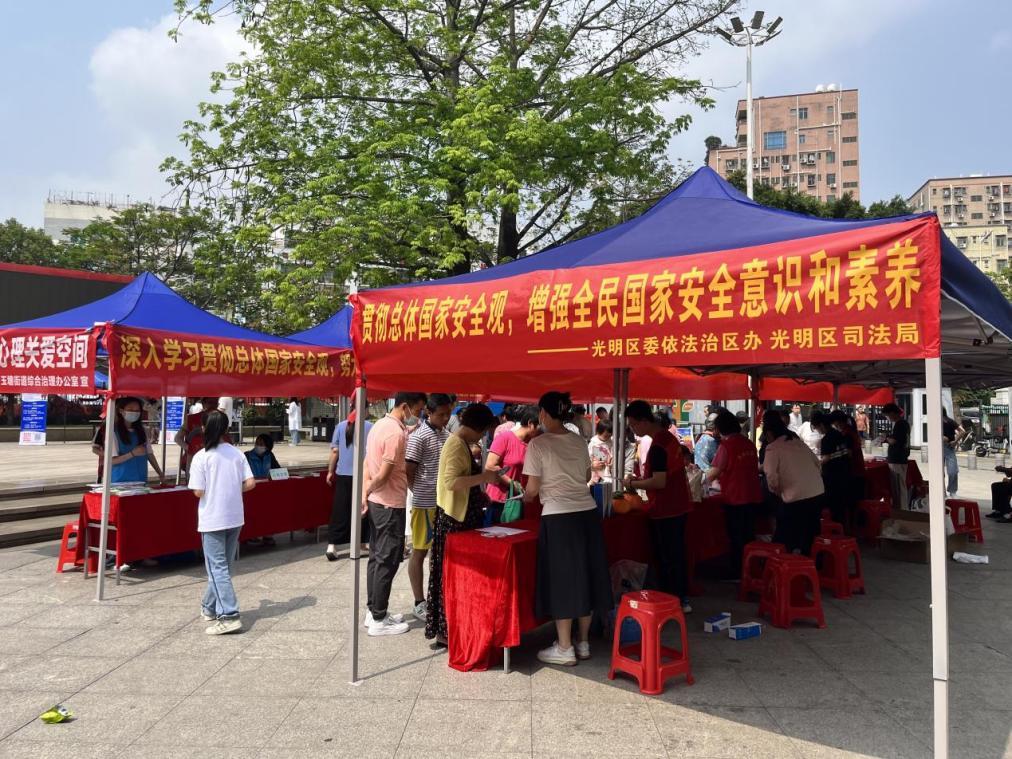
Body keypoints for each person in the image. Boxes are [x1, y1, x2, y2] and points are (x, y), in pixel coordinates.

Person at [523, 391, 611, 666]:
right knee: (586, 575)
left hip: (558, 517)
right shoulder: (578, 440)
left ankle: (564, 647)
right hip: (587, 513)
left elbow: (532, 489)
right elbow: (585, 476)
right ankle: (583, 642)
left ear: (543, 414)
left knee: (563, 580)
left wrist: (525, 496)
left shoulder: (538, 444)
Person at [425, 403, 499, 646]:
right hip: (454, 522)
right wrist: (484, 478)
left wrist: (479, 494)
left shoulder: (461, 443)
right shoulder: (456, 444)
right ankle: (446, 629)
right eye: (484, 431)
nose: (483, 436)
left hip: (461, 517)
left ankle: (453, 627)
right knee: (450, 577)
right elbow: (451, 482)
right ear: (477, 427)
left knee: (454, 576)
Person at [361, 391, 427, 636]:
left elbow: (367, 462)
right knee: (387, 560)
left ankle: (374, 610)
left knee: (377, 557)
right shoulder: (395, 433)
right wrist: (369, 487)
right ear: (405, 406)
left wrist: (365, 491)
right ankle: (379, 619)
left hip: (379, 503)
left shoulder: (379, 426)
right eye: (418, 410)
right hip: (389, 503)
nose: (418, 415)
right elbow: (384, 473)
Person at [188, 410, 256, 635]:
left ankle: (229, 614)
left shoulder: (202, 456)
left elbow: (198, 491)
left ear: (204, 429)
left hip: (213, 517)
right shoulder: (236, 453)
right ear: (226, 429)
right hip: (234, 516)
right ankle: (209, 607)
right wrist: (231, 488)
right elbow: (250, 483)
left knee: (217, 568)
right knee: (222, 567)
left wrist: (216, 488)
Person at [624, 400, 693, 614]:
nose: (633, 430)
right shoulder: (668, 438)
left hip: (666, 508)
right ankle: (680, 598)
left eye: (633, 424)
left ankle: (673, 600)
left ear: (644, 421)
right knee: (676, 554)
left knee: (669, 557)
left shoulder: (657, 447)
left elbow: (659, 481)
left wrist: (632, 483)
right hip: (678, 505)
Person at [405, 394, 452, 622]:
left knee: (439, 552)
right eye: (441, 414)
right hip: (424, 503)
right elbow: (409, 469)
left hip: (443, 502)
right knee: (420, 551)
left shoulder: (446, 434)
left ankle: (437, 597)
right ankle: (419, 601)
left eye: (448, 413)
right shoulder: (418, 437)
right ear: (429, 413)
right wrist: (417, 490)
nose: (446, 418)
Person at [705, 410, 761, 579]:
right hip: (753, 495)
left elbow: (713, 472)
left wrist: (698, 480)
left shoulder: (727, 446)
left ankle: (738, 573)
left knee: (736, 537)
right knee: (748, 535)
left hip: (735, 497)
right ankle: (751, 570)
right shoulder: (748, 443)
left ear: (720, 428)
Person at [762, 410, 825, 554]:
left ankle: (783, 562)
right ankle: (813, 562)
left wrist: (777, 491)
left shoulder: (773, 448)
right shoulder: (798, 443)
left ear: (769, 434)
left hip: (796, 498)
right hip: (818, 492)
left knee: (784, 535)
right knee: (811, 534)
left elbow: (771, 477)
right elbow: (817, 463)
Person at [324, 410, 373, 561]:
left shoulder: (340, 426)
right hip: (363, 475)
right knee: (362, 509)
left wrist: (330, 471)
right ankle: (362, 543)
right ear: (365, 410)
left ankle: (332, 545)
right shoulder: (370, 427)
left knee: (340, 510)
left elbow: (335, 451)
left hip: (343, 475)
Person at [485, 404, 540, 520]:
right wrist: (511, 483)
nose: (543, 430)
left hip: (520, 503)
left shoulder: (534, 444)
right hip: (500, 503)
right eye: (541, 425)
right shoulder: (505, 438)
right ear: (531, 424)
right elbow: (490, 466)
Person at [92, 397, 164, 485]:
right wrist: (132, 454)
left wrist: (159, 473)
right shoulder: (112, 432)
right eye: (130, 410)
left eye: (137, 410)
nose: (134, 413)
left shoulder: (142, 431)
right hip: (120, 481)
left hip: (141, 480)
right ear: (121, 411)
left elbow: (149, 454)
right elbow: (111, 460)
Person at [811, 411, 851, 525]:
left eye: (817, 428)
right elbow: (847, 454)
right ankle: (842, 528)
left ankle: (833, 529)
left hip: (832, 477)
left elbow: (826, 458)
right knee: (841, 506)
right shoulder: (839, 434)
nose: (818, 431)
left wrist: (816, 464)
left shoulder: (827, 439)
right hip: (844, 473)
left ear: (821, 425)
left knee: (833, 506)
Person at [830, 410, 866, 522]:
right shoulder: (850, 431)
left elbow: (848, 453)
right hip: (857, 470)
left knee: (852, 503)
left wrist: (832, 456)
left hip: (854, 471)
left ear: (837, 422)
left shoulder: (847, 434)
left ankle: (852, 525)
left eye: (833, 422)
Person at [176, 397, 226, 475]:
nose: (213, 406)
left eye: (215, 403)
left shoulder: (222, 418)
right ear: (203, 404)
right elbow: (177, 438)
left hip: (216, 459)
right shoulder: (191, 419)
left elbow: (225, 438)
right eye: (210, 403)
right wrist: (191, 449)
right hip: (193, 459)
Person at [879, 403, 911, 509]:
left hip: (897, 459)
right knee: (900, 487)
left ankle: (901, 510)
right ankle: (902, 508)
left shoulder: (900, 424)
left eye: (887, 416)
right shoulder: (904, 424)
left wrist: (886, 438)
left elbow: (894, 441)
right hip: (901, 458)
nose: (887, 418)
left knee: (898, 488)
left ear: (892, 413)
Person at [942, 408, 964, 497]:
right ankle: (944, 491)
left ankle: (952, 490)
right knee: (941, 471)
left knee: (952, 470)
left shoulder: (949, 421)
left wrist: (955, 441)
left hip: (948, 446)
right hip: (940, 447)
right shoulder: (936, 422)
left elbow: (962, 431)